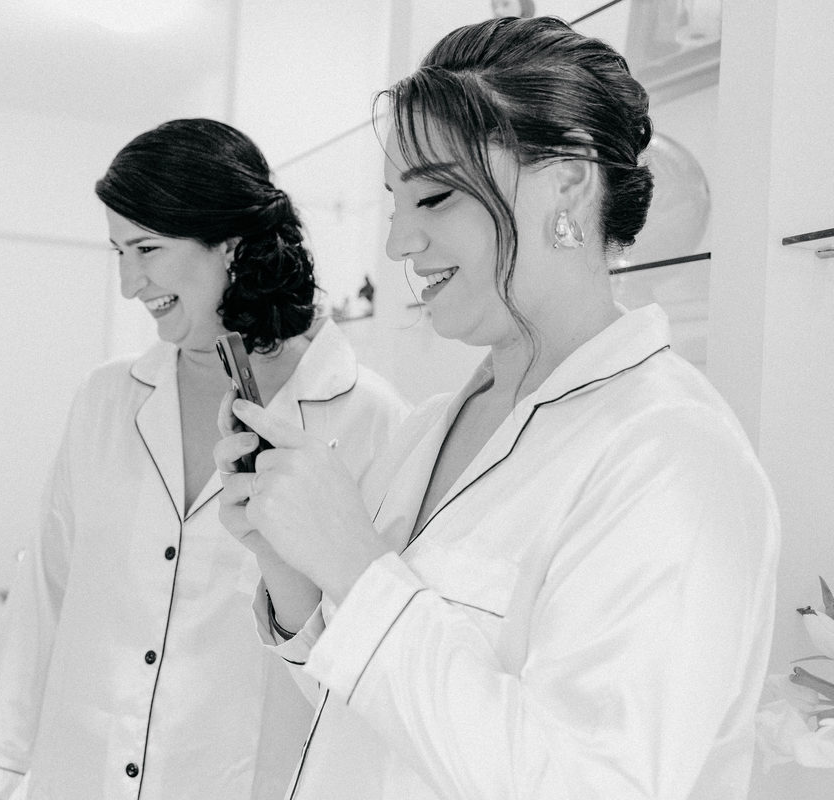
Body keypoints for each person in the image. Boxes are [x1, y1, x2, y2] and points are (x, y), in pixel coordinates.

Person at [215, 17, 779, 800]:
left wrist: (354, 560)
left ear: (570, 183)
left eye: (436, 196)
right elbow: (380, 717)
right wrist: (296, 577)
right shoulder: (433, 429)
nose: (398, 244)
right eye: (394, 202)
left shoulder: (675, 458)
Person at [0, 118, 409, 800]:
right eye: (118, 252)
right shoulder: (106, 399)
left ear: (229, 244)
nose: (131, 283)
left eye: (147, 248)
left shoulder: (368, 419)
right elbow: (46, 589)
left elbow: (367, 654)